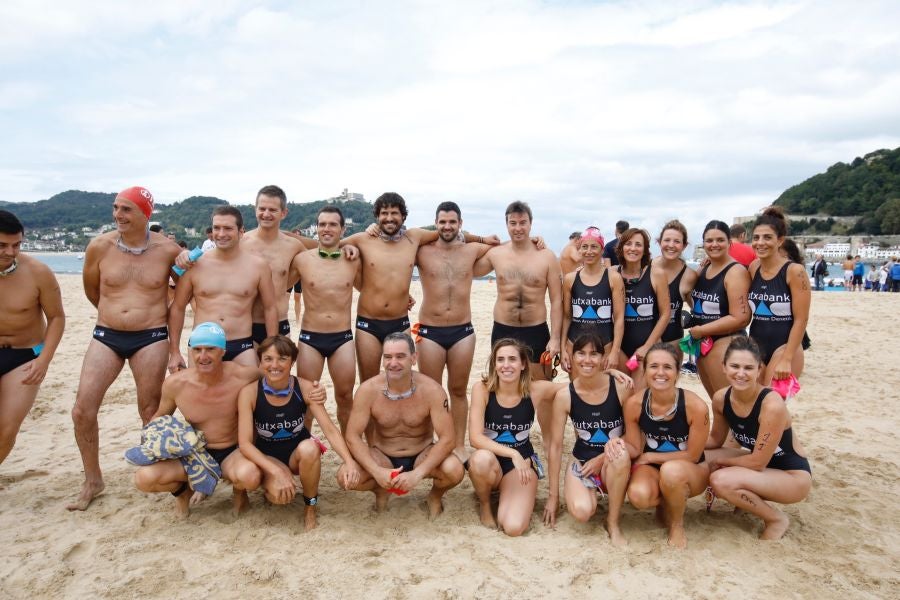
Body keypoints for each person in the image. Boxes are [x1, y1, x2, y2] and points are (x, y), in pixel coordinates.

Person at [69, 186, 183, 510]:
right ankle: (93, 480)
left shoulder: (168, 250)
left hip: (151, 336)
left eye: (126, 209)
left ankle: (160, 474)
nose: (118, 215)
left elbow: (184, 291)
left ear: (145, 214)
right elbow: (92, 290)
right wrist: (114, 315)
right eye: (116, 207)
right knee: (82, 409)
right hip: (107, 334)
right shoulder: (99, 246)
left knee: (149, 410)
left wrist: (174, 346)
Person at [133, 323, 264, 517]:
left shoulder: (243, 375)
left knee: (250, 477)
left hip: (232, 452)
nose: (203, 356)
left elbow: (278, 380)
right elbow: (159, 418)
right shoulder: (176, 384)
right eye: (197, 350)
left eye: (210, 349)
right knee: (144, 478)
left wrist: (309, 391)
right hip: (194, 453)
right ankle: (182, 493)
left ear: (223, 351)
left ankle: (239, 492)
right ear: (191, 352)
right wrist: (152, 443)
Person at [237, 335, 360, 530]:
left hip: (297, 454)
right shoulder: (250, 393)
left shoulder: (305, 388)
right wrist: (276, 471)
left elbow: (329, 429)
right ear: (260, 361)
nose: (274, 365)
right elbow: (244, 444)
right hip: (268, 456)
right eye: (268, 359)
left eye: (282, 359)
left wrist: (349, 460)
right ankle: (270, 485)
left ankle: (310, 505)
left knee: (310, 448)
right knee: (281, 497)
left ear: (292, 362)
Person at [341, 332, 464, 518]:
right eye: (388, 357)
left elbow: (448, 439)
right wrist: (377, 471)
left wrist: (417, 474)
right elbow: (352, 436)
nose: (393, 363)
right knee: (345, 476)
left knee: (454, 470)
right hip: (383, 455)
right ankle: (380, 490)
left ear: (413, 358)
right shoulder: (368, 390)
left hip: (422, 453)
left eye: (400, 356)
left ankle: (435, 495)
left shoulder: (432, 390)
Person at [706, 336, 812, 540]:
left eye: (748, 368)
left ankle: (775, 519)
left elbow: (757, 462)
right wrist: (683, 443)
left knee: (720, 480)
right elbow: (715, 440)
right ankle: (744, 499)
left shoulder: (771, 405)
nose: (741, 373)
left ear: (759, 369)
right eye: (735, 366)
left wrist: (721, 462)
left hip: (791, 476)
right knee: (699, 456)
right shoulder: (721, 398)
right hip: (758, 467)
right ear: (724, 367)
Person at [414, 202, 497, 455]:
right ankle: (429, 443)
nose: (447, 226)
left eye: (452, 222)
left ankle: (459, 445)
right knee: (431, 391)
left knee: (458, 391)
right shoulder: (422, 251)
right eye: (442, 222)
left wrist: (534, 242)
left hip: (462, 331)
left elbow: (507, 249)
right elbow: (394, 261)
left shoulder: (472, 250)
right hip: (429, 330)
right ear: (435, 223)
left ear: (460, 224)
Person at [474, 201, 562, 435]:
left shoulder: (547, 257)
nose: (518, 228)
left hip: (536, 329)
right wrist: (485, 241)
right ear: (506, 225)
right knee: (502, 382)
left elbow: (557, 301)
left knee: (542, 387)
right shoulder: (496, 254)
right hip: (503, 328)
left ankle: (548, 439)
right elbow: (469, 267)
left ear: (531, 224)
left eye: (523, 223)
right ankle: (500, 434)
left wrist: (555, 338)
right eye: (513, 223)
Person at [467, 339, 566, 536]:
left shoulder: (535, 389)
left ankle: (507, 494)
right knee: (480, 459)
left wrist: (610, 374)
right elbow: (475, 438)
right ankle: (485, 504)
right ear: (494, 364)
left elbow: (577, 388)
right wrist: (513, 454)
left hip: (521, 465)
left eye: (512, 359)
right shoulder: (482, 389)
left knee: (513, 528)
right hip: (492, 461)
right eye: (500, 360)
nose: (506, 365)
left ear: (523, 364)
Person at [341, 193, 441, 383]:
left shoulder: (414, 237)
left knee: (402, 381)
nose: (389, 217)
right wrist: (346, 248)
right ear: (377, 216)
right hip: (368, 324)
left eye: (394, 213)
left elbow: (447, 232)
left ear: (403, 216)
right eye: (384, 213)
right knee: (368, 382)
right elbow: (329, 247)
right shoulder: (364, 238)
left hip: (400, 323)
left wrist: (481, 239)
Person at [544, 332, 633, 546]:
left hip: (613, 460)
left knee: (619, 454)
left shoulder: (621, 387)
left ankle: (612, 522)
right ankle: (591, 492)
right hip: (582, 461)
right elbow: (555, 446)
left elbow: (633, 436)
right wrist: (553, 496)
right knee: (582, 511)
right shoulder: (564, 396)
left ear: (603, 358)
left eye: (594, 354)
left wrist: (601, 459)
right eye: (581, 353)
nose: (587, 360)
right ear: (572, 357)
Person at [622, 342, 710, 548]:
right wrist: (613, 447)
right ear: (644, 371)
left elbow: (693, 455)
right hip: (653, 468)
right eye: (654, 366)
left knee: (671, 471)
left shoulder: (695, 406)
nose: (660, 373)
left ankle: (677, 525)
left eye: (668, 367)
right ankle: (667, 501)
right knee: (638, 496)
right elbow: (634, 446)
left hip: (691, 468)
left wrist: (650, 456)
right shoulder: (634, 404)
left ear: (677, 373)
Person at [168, 205, 277, 369]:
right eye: (216, 228)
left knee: (250, 385)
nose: (220, 234)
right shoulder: (195, 265)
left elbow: (270, 307)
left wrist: (272, 347)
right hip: (202, 344)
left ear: (241, 231)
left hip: (241, 345)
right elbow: (178, 307)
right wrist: (175, 351)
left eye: (228, 228)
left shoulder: (258, 266)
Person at [0, 210, 65, 467]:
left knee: (6, 429)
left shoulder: (38, 272)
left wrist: (44, 360)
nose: (10, 252)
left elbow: (57, 317)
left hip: (24, 355)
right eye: (2, 245)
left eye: (16, 245)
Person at [290, 206, 361, 431]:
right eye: (322, 224)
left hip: (342, 338)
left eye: (332, 224)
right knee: (308, 397)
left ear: (343, 229)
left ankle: (349, 445)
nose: (326, 229)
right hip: (310, 338)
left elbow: (372, 288)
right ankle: (304, 442)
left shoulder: (353, 260)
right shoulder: (302, 260)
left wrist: (404, 296)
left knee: (345, 396)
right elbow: (279, 286)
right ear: (317, 228)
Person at [242, 185, 316, 345]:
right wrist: (187, 255)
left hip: (280, 323)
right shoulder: (241, 243)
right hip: (246, 324)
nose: (266, 214)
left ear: (284, 213)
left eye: (272, 210)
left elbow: (320, 259)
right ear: (255, 209)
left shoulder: (293, 246)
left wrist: (347, 247)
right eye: (262, 208)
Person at [689, 220, 751, 399]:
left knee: (730, 402)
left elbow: (741, 318)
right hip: (703, 342)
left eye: (720, 240)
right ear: (703, 243)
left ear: (729, 243)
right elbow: (692, 298)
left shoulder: (735, 272)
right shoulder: (705, 268)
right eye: (709, 241)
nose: (714, 244)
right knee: (717, 401)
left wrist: (702, 330)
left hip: (725, 341)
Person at [748, 207, 810, 385]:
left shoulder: (794, 271)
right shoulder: (753, 267)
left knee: (772, 399)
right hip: (755, 346)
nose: (760, 243)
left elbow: (801, 319)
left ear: (780, 240)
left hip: (785, 347)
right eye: (756, 237)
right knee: (754, 399)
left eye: (767, 237)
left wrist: (787, 358)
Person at [560, 226, 624, 373]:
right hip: (574, 344)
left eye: (594, 246)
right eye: (585, 247)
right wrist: (563, 349)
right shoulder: (570, 279)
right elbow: (567, 317)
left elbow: (619, 318)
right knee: (576, 387)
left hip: (605, 345)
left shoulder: (613, 278)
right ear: (580, 250)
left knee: (603, 387)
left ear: (602, 250)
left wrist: (615, 351)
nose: (589, 251)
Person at [615, 228, 671, 390]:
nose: (633, 248)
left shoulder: (656, 274)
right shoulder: (612, 273)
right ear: (621, 247)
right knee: (622, 395)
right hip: (619, 348)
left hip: (647, 345)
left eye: (638, 244)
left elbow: (665, 314)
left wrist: (647, 346)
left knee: (640, 396)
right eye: (628, 244)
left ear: (645, 249)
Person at [652, 220, 698, 344]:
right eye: (667, 240)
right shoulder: (646, 267)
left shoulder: (689, 276)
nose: (671, 245)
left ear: (684, 245)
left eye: (677, 241)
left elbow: (699, 310)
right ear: (659, 242)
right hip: (643, 341)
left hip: (673, 341)